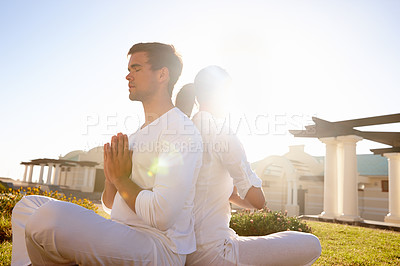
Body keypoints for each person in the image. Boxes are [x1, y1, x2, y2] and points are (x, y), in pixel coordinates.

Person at [11, 42, 203, 265]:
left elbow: (161, 215)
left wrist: (121, 179)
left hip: (159, 247)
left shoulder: (180, 130)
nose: (128, 76)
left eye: (136, 69)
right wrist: (112, 177)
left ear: (162, 75)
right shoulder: (136, 134)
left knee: (48, 217)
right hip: (123, 232)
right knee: (27, 207)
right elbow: (110, 204)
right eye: (129, 69)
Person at [175, 66, 321, 265]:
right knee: (311, 244)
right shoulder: (221, 132)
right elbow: (258, 201)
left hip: (186, 251)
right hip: (215, 252)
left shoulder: (183, 131)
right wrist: (244, 189)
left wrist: (233, 196)